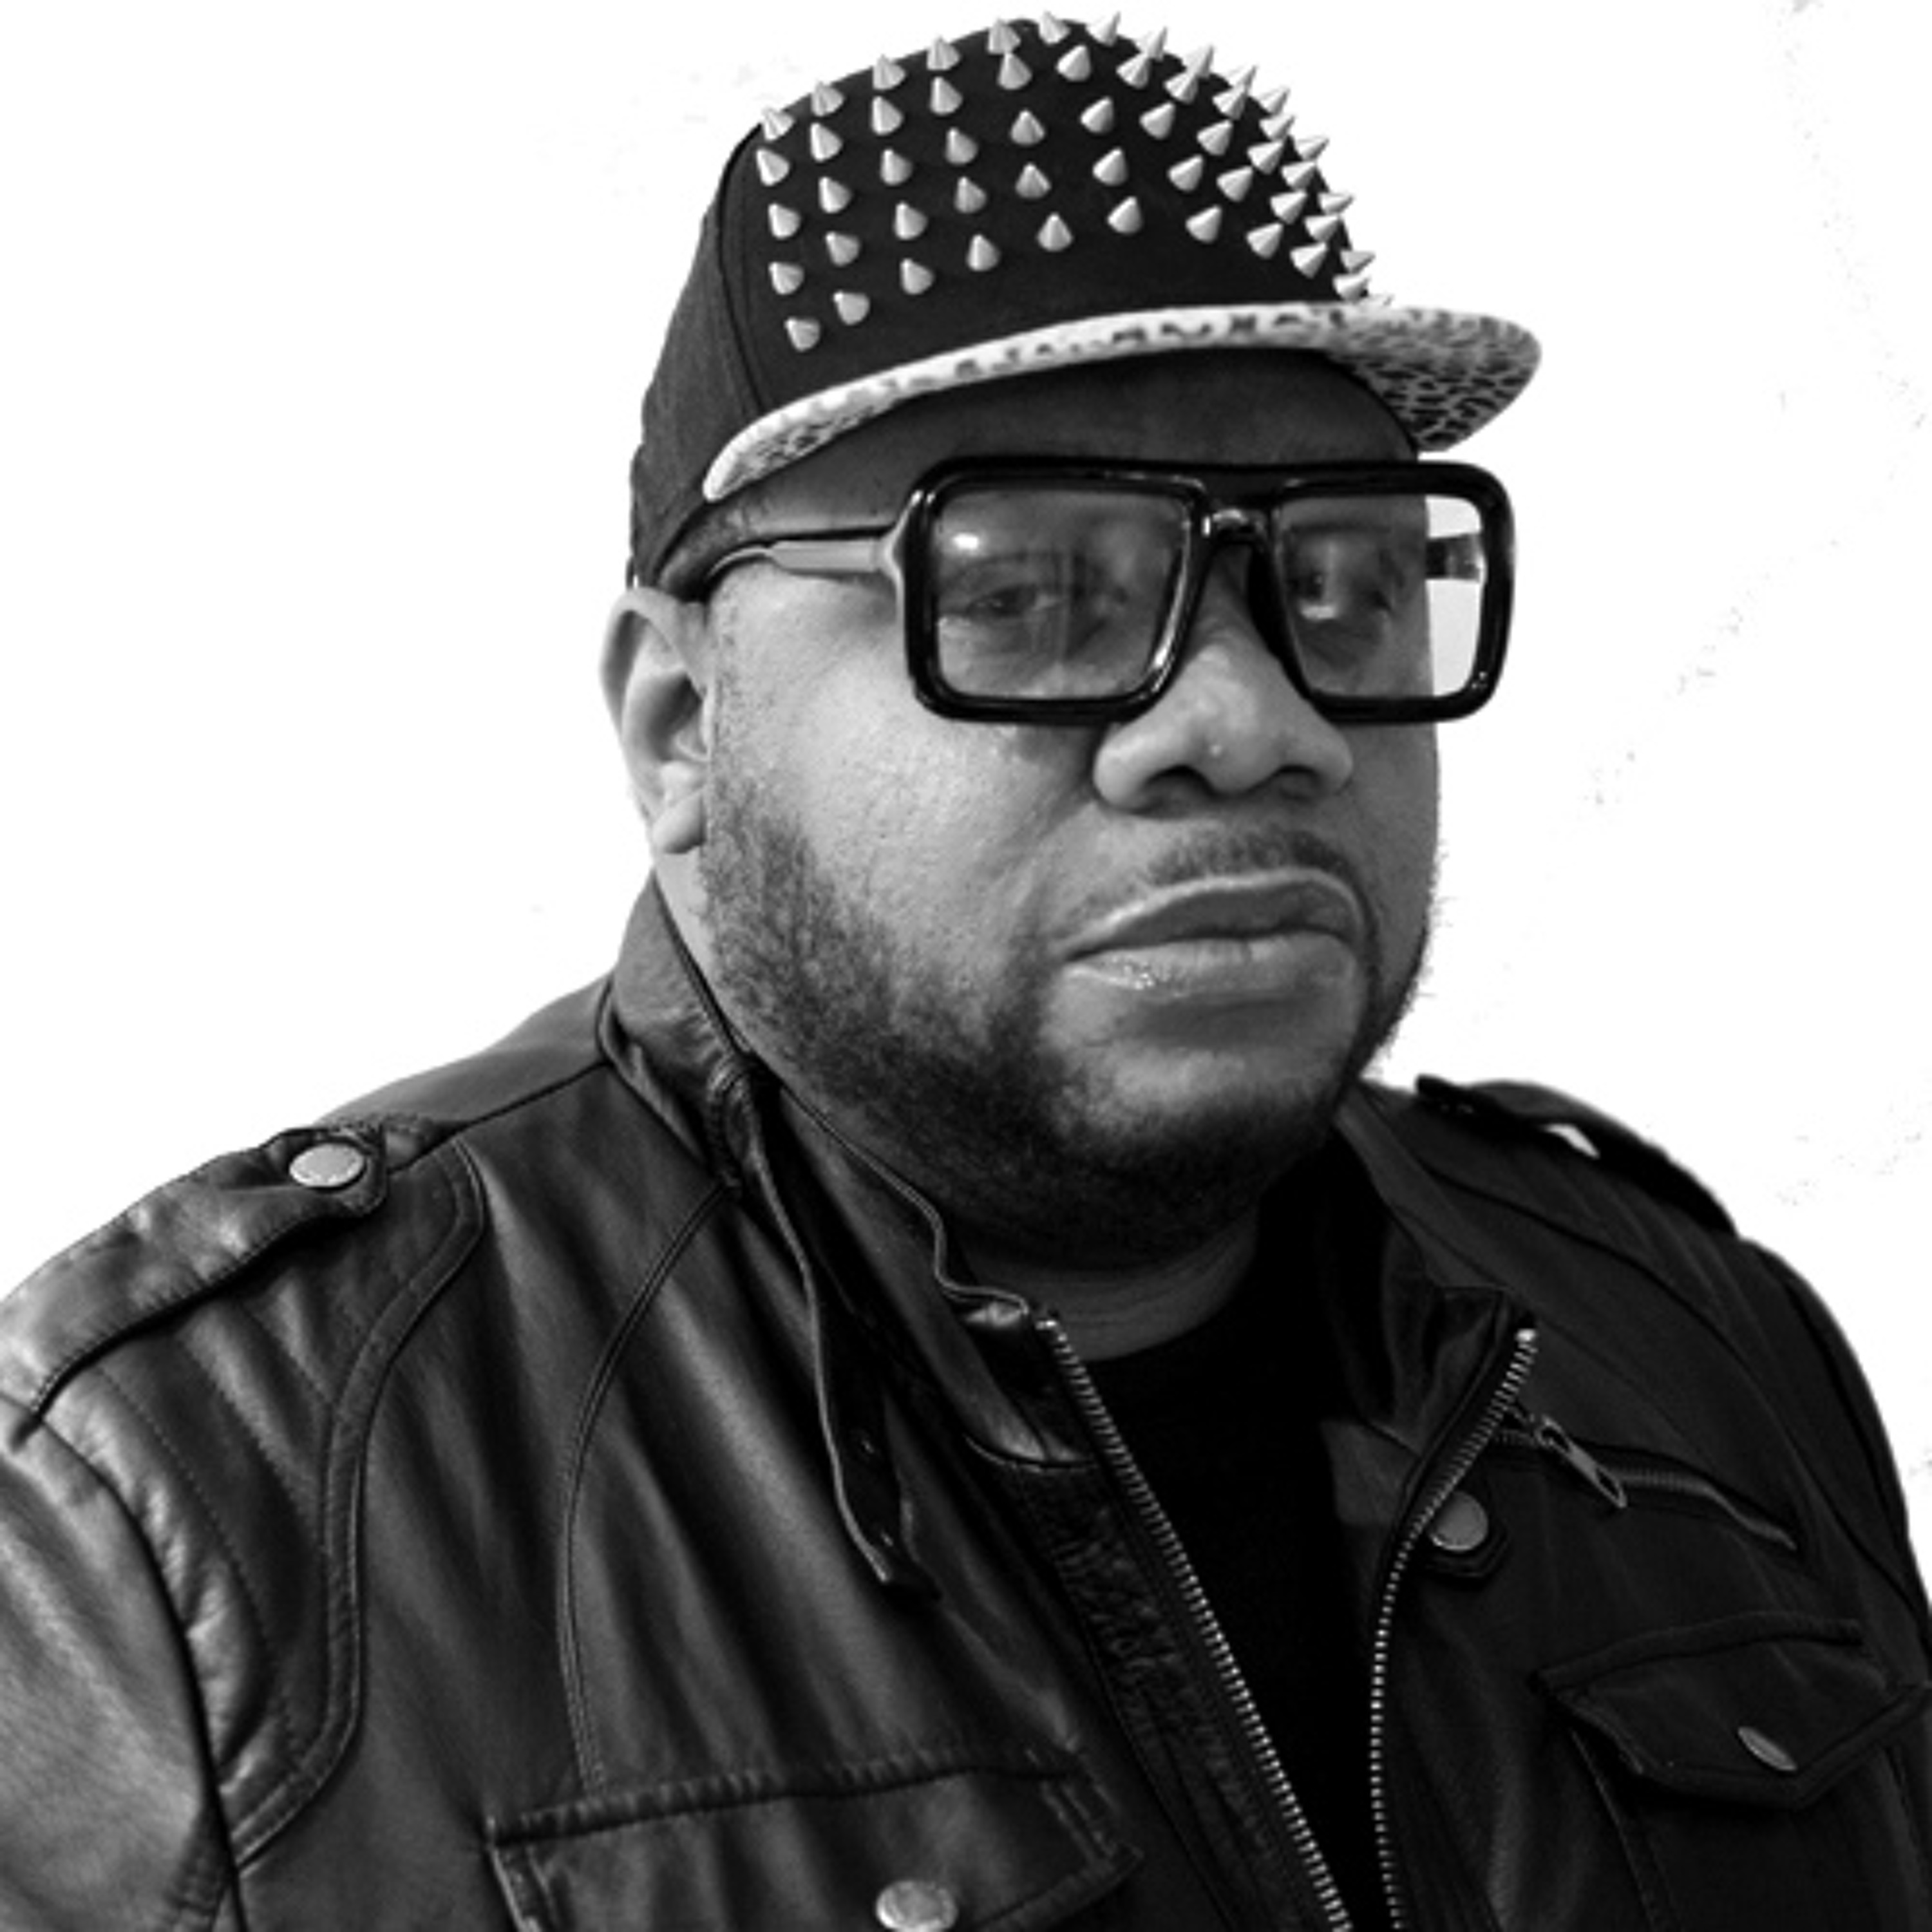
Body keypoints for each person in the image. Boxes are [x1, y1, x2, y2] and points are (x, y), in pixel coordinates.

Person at [1, 13, 1926, 1928]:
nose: (1251, 721)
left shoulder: (1695, 1345)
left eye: (1338, 583)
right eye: (1027, 592)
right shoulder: (184, 1524)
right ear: (683, 725)